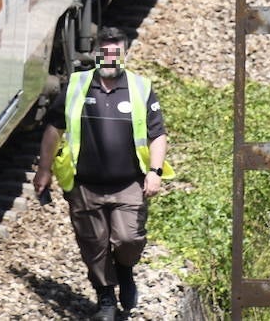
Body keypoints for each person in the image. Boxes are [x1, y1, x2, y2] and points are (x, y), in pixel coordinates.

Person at [33, 27, 170, 321]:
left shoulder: (140, 88)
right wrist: (43, 170)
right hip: (85, 184)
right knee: (93, 244)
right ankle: (106, 298)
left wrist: (155, 172)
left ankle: (125, 270)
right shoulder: (76, 87)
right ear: (96, 54)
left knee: (128, 239)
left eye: (115, 54)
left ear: (126, 55)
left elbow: (157, 134)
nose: (109, 59)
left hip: (128, 183)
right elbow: (53, 130)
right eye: (104, 53)